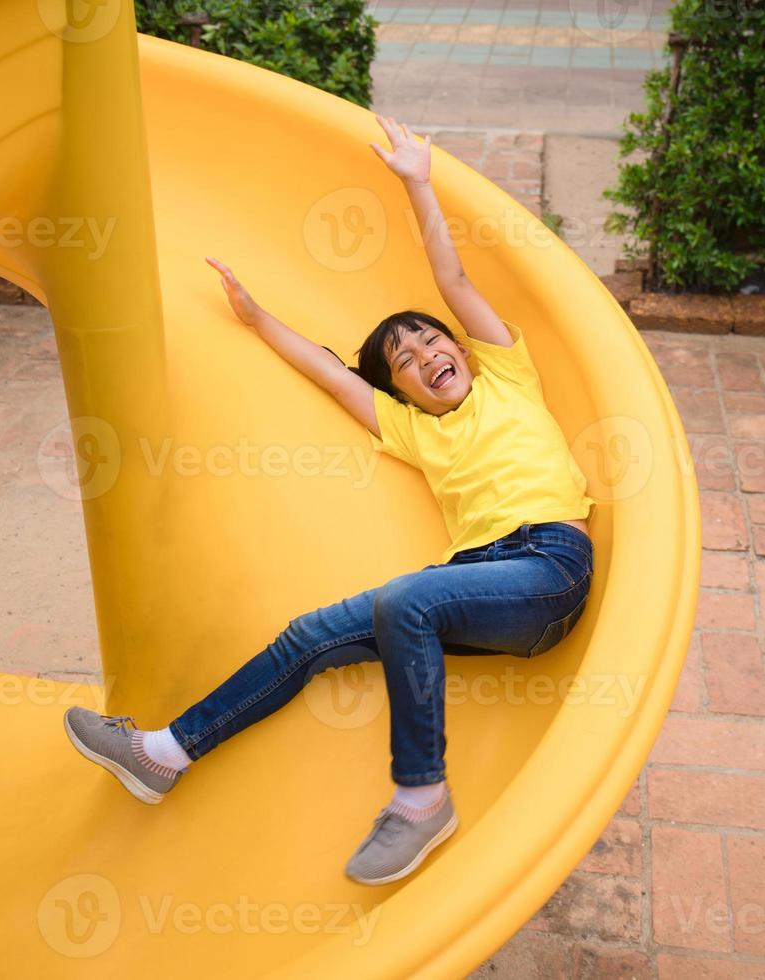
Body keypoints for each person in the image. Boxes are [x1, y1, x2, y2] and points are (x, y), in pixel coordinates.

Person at [63, 114, 595, 886]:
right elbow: (328, 372)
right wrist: (255, 318)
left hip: (548, 567)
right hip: (478, 583)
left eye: (430, 341)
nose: (425, 357)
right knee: (308, 636)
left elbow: (453, 281)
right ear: (402, 391)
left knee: (406, 600)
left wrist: (418, 180)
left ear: (460, 346)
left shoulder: (506, 375)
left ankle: (422, 798)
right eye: (405, 361)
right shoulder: (413, 432)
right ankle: (162, 754)